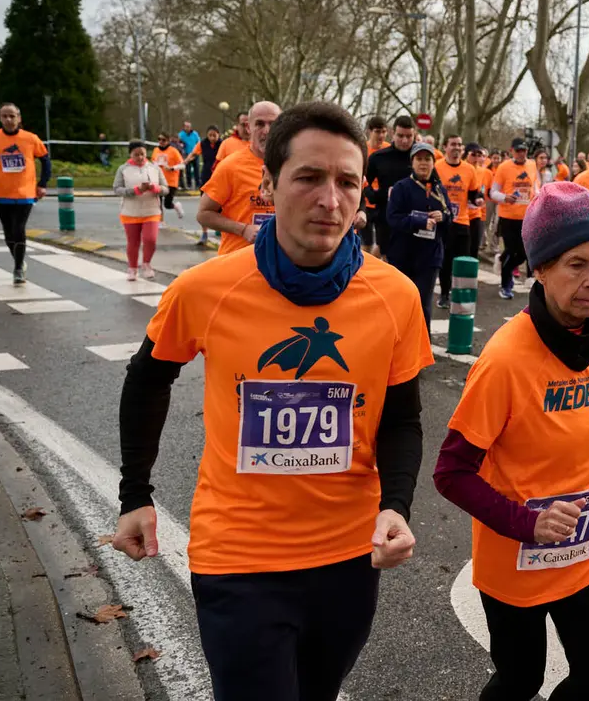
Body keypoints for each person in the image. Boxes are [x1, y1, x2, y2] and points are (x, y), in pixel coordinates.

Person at [113, 101, 430, 701]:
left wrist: (396, 505)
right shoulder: (206, 290)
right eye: (309, 177)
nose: (329, 200)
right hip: (239, 556)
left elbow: (404, 417)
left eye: (346, 182)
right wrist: (136, 495)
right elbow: (148, 379)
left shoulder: (395, 296)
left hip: (346, 558)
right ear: (268, 182)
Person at [434, 181, 589, 701]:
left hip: (587, 545)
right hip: (516, 554)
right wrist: (527, 523)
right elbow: (451, 473)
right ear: (540, 269)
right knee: (520, 679)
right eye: (576, 264)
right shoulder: (506, 359)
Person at [0, 102, 50, 284]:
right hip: (1, 192)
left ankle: (17, 268)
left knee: (19, 229)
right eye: (5, 116)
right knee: (8, 233)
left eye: (12, 116)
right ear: (0, 118)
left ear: (19, 118)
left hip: (25, 192)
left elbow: (45, 161)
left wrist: (42, 183)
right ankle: (19, 260)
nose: (9, 119)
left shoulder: (30, 138)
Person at [197, 101, 281, 257]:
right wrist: (243, 229)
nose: (267, 131)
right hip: (237, 260)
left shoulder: (291, 165)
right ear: (248, 128)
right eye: (260, 124)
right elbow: (203, 214)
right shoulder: (231, 166)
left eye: (273, 124)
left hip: (280, 264)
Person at [385, 141, 451, 326]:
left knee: (422, 304)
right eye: (419, 159)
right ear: (412, 163)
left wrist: (443, 217)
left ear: (433, 162)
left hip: (429, 257)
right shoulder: (401, 188)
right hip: (403, 255)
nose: (423, 163)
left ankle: (422, 350)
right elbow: (393, 218)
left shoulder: (439, 189)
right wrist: (419, 222)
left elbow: (450, 216)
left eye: (427, 159)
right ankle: (397, 346)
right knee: (401, 303)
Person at [436, 135, 484, 309]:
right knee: (445, 260)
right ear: (445, 147)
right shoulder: (437, 167)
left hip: (462, 221)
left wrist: (477, 199)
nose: (457, 147)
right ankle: (444, 294)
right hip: (443, 221)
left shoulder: (469, 169)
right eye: (453, 144)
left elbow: (473, 193)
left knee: (463, 260)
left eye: (459, 145)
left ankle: (461, 295)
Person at [363, 116, 421, 258]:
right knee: (387, 257)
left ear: (414, 135)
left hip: (415, 216)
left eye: (409, 136)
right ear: (393, 133)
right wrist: (373, 196)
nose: (405, 140)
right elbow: (363, 181)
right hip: (386, 216)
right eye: (400, 136)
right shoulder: (379, 157)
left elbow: (436, 183)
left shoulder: (421, 156)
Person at [490, 137, 540, 299]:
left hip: (527, 217)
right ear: (512, 151)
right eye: (518, 151)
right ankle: (505, 285)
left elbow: (535, 186)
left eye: (523, 150)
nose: (521, 154)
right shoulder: (504, 167)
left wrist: (538, 198)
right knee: (512, 251)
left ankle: (502, 260)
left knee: (526, 253)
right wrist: (505, 197)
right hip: (508, 217)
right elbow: (493, 192)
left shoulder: (532, 165)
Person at [113, 140, 167, 281]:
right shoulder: (123, 169)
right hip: (130, 212)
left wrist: (155, 188)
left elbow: (166, 188)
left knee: (150, 239)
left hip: (152, 211)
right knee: (133, 242)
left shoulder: (154, 168)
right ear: (131, 154)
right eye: (136, 155)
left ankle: (147, 263)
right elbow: (117, 189)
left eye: (142, 154)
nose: (140, 157)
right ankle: (132, 268)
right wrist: (135, 190)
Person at [464, 143, 491, 257]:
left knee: (474, 248)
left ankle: (469, 274)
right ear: (466, 155)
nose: (476, 158)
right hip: (461, 216)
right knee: (461, 248)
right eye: (473, 154)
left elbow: (489, 192)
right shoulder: (461, 168)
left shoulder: (486, 173)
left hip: (477, 214)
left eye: (479, 155)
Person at [151, 132, 186, 221]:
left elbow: (183, 165)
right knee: (158, 203)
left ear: (168, 140)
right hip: (158, 180)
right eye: (159, 139)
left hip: (171, 181)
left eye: (163, 140)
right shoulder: (155, 150)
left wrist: (172, 168)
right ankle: (160, 222)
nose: (161, 142)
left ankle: (176, 206)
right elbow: (153, 162)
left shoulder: (173, 151)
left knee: (167, 204)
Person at [178, 121, 201, 189]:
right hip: (186, 155)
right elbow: (179, 143)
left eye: (189, 126)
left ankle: (198, 184)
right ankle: (189, 185)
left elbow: (198, 142)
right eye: (186, 126)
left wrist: (197, 151)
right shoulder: (181, 134)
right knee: (188, 170)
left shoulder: (195, 134)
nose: (188, 128)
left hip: (195, 154)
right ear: (184, 127)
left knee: (196, 169)